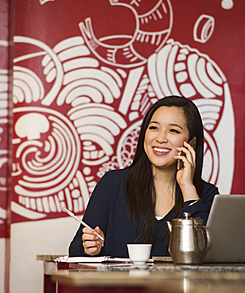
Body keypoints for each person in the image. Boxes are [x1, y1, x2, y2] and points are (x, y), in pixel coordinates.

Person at [69, 96, 219, 258]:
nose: (160, 138)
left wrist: (187, 187)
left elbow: (203, 255)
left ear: (191, 142)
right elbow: (76, 248)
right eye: (154, 128)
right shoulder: (113, 184)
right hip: (120, 283)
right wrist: (91, 247)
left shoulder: (206, 195)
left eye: (173, 130)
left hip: (179, 284)